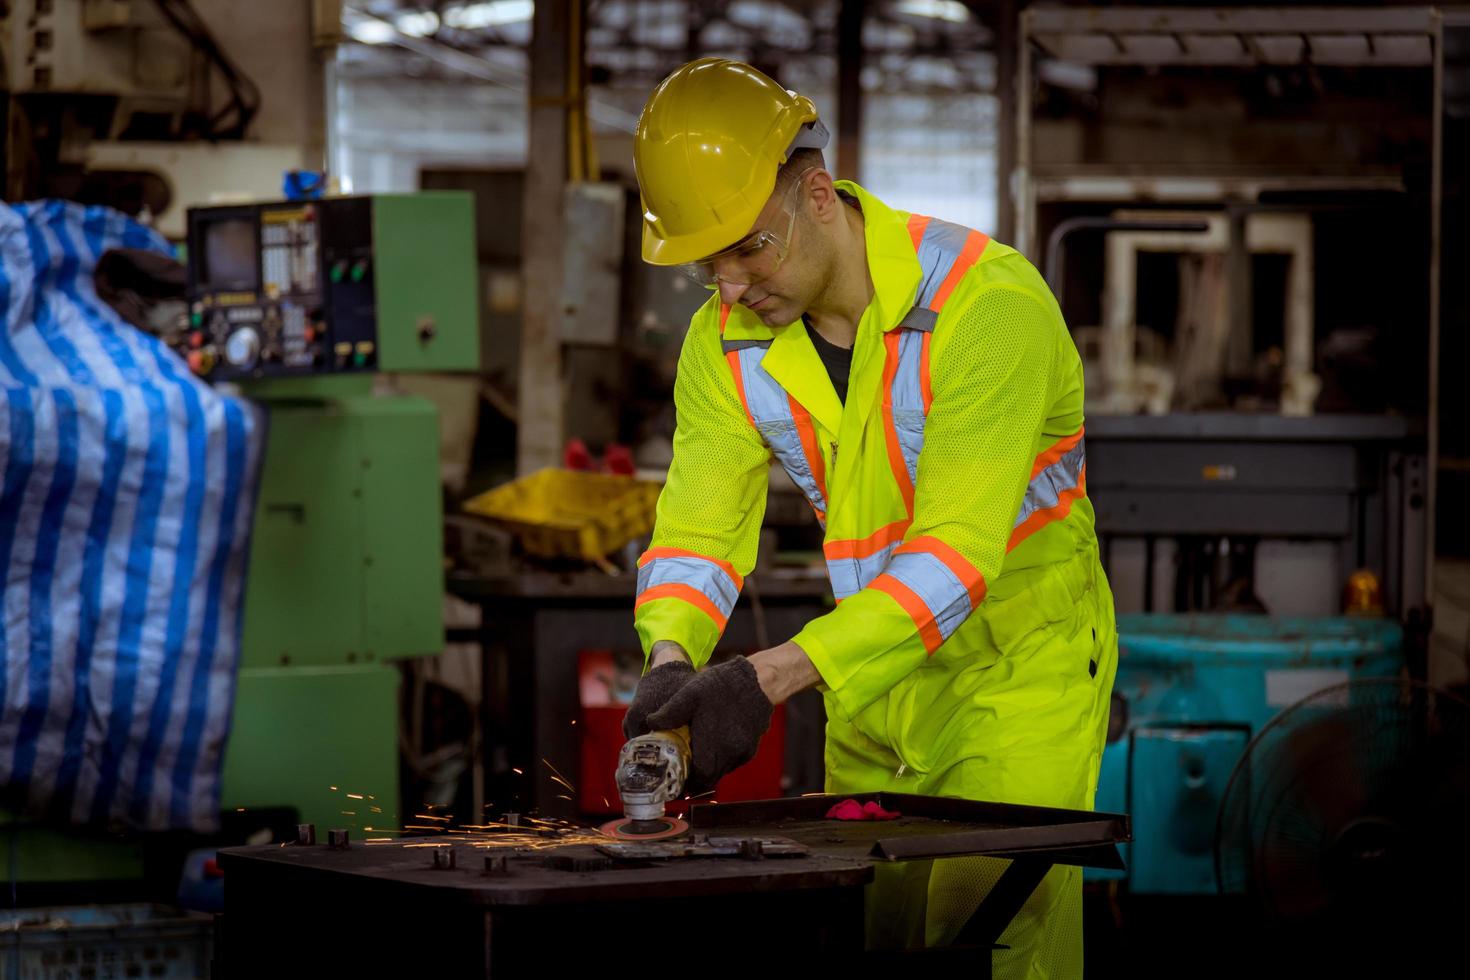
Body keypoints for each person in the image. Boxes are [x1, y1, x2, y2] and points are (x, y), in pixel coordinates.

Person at [624, 57, 1117, 978]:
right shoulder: (725, 340)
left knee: (989, 938)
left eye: (748, 249)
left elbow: (958, 556)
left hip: (1014, 674)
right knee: (878, 943)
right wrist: (671, 661)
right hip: (871, 687)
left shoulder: (988, 308)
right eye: (706, 264)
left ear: (818, 196)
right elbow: (698, 523)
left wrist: (763, 680)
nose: (729, 286)